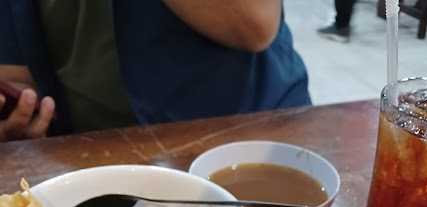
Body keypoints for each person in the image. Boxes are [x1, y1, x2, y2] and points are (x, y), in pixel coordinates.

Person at [0, 0, 311, 143]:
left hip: (246, 139)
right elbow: (17, 73)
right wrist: (17, 115)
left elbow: (254, 25)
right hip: (93, 159)